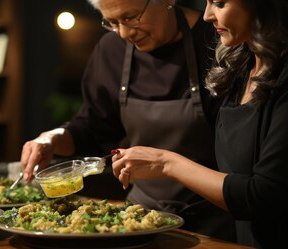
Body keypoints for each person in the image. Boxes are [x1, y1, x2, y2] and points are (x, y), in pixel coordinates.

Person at [111, 0, 288, 247]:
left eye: (219, 3)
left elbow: (264, 196)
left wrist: (166, 163)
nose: (208, 15)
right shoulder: (241, 64)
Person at [20, 0, 236, 241]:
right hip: (140, 220)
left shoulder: (219, 39)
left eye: (131, 17)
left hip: (212, 224)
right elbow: (93, 128)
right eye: (112, 22)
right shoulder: (112, 50)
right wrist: (51, 139)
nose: (123, 33)